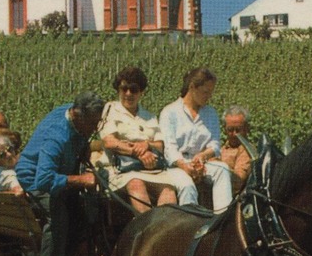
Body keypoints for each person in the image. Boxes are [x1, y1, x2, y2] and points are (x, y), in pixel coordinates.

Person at [15, 92, 105, 256]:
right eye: (92, 124)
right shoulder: (56, 136)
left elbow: (79, 142)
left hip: (60, 172)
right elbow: (43, 180)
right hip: (35, 178)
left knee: (88, 211)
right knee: (58, 215)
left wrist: (83, 150)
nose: (94, 129)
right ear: (78, 115)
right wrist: (81, 180)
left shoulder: (72, 112)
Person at [99, 66, 191, 213]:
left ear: (141, 92)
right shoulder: (110, 110)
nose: (128, 93)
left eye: (133, 89)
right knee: (136, 184)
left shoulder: (149, 117)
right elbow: (109, 141)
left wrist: (146, 144)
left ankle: (161, 230)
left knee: (168, 189)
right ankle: (147, 229)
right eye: (124, 89)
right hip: (122, 171)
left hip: (152, 170)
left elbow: (160, 145)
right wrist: (138, 152)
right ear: (118, 90)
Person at [159, 67, 233, 211]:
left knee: (222, 170)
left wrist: (202, 156)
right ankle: (189, 226)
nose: (209, 96)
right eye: (206, 92)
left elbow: (215, 144)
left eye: (211, 93)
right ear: (192, 87)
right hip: (176, 166)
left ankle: (222, 217)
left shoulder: (210, 113)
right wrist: (185, 166)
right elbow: (169, 148)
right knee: (187, 186)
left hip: (201, 163)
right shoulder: (170, 112)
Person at [219, 106, 253, 194]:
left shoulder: (246, 150)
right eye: (230, 130)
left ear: (246, 128)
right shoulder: (221, 148)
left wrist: (217, 167)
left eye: (238, 130)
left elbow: (238, 180)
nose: (234, 134)